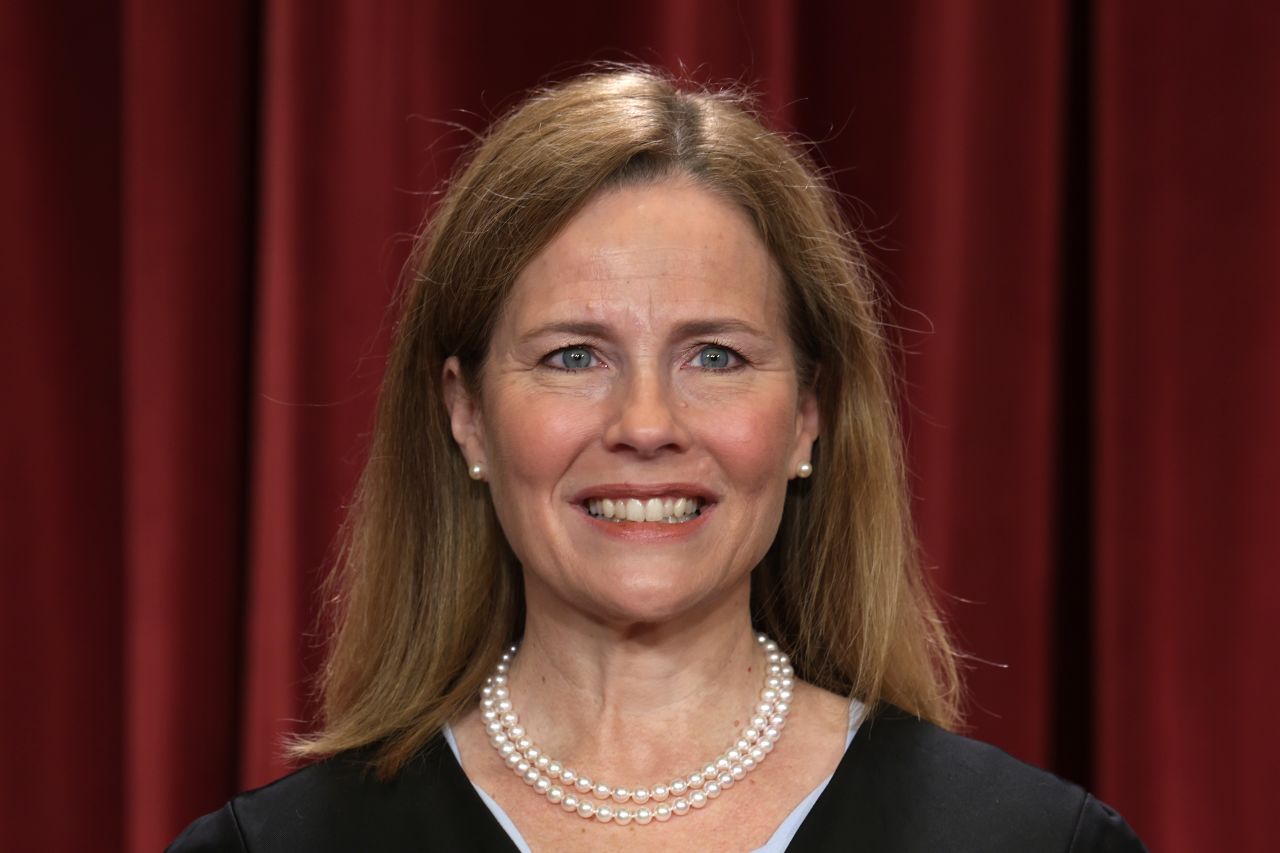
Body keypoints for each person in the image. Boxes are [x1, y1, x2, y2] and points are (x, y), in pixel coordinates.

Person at [170, 67, 1145, 852]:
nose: (645, 422)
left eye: (713, 356)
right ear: (464, 415)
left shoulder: (1028, 841)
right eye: (573, 356)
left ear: (808, 413)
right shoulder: (275, 847)